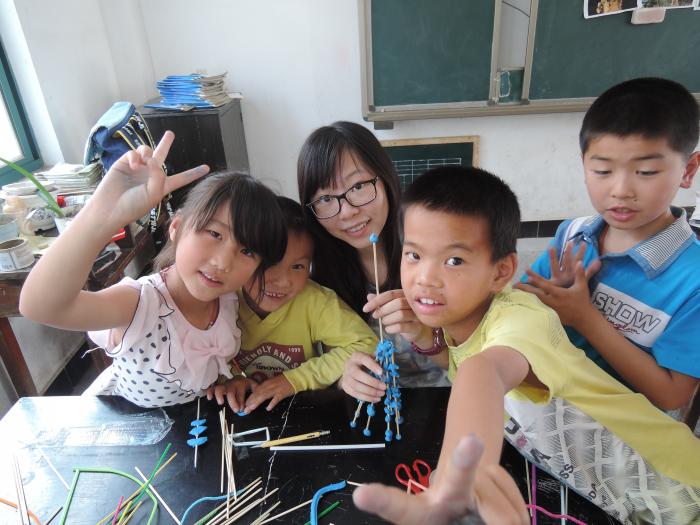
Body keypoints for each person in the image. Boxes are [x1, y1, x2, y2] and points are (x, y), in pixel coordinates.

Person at [354, 166, 700, 525]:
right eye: (414, 255)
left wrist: (461, 480)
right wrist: (426, 339)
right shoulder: (466, 319)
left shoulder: (521, 321)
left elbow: (482, 373)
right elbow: (464, 364)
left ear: (501, 272)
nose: (425, 278)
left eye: (454, 260)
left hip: (678, 487)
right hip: (619, 500)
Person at [19, 132, 287, 408]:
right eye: (215, 234)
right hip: (131, 433)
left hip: (193, 433)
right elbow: (40, 307)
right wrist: (104, 215)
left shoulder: (227, 301)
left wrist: (230, 379)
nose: (223, 262)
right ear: (176, 227)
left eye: (247, 251)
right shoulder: (140, 304)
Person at [516, 78, 700, 412]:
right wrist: (543, 301)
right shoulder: (573, 235)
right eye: (602, 170)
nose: (620, 190)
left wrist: (585, 319)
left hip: (617, 440)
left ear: (688, 170)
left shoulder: (693, 281)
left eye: (645, 172)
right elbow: (521, 304)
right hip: (546, 412)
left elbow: (673, 395)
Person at [297, 121, 449, 399]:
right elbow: (325, 362)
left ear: (385, 177)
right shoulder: (319, 278)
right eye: (326, 198)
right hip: (372, 415)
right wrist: (343, 378)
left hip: (445, 405)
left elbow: (479, 365)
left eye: (358, 187)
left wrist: (428, 338)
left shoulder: (435, 253)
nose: (346, 212)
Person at [208, 197, 378, 413]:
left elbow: (367, 344)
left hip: (303, 410)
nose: (283, 281)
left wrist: (295, 379)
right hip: (240, 412)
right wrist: (228, 380)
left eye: (298, 266)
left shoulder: (315, 301)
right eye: (270, 263)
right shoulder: (221, 298)